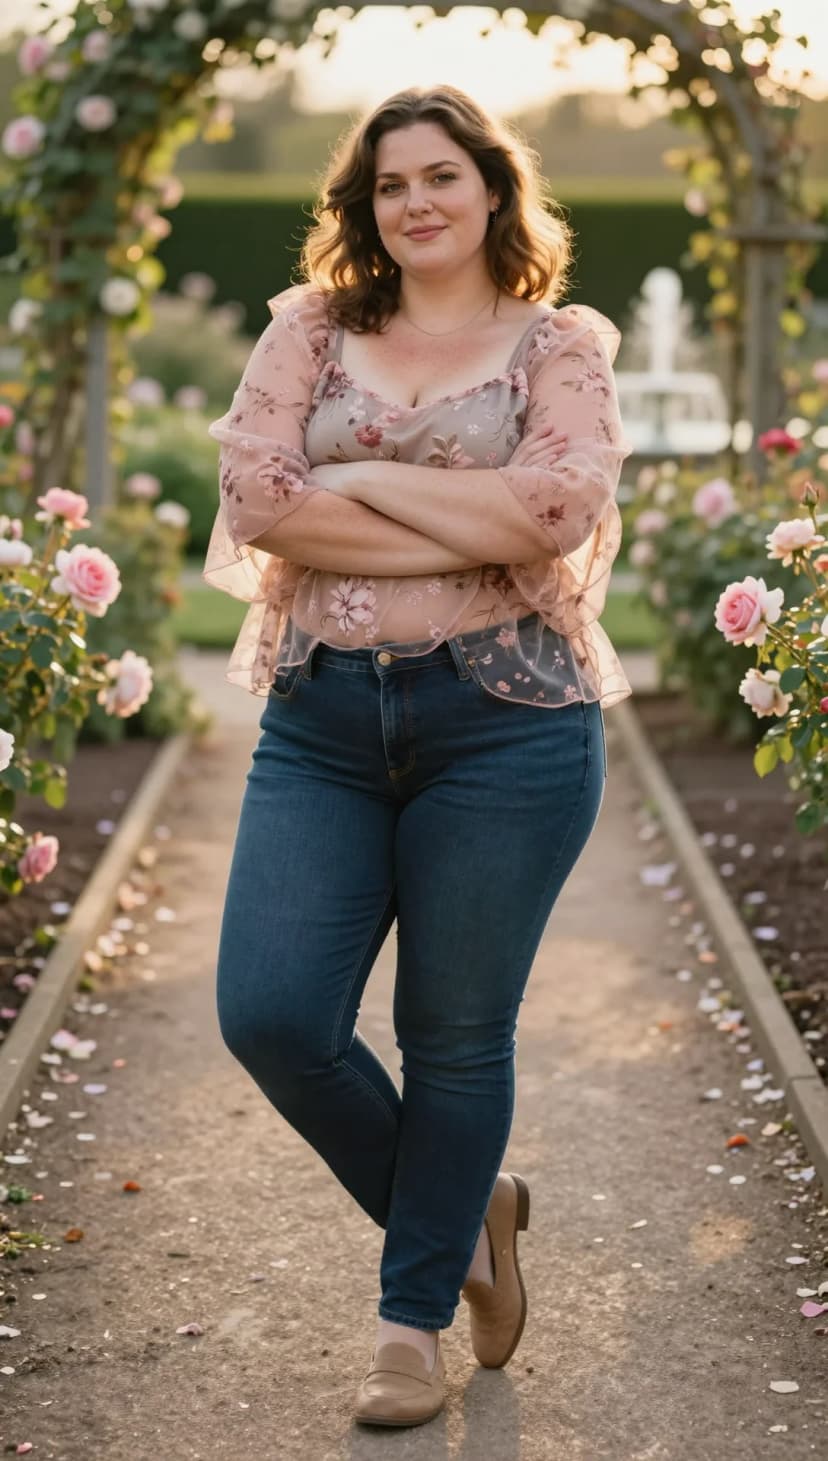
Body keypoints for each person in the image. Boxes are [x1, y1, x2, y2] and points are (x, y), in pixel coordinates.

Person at [204, 83, 633, 1429]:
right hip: (323, 722)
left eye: (442, 175)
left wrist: (356, 482)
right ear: (366, 205)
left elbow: (556, 510)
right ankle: (470, 1216)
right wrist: (466, 513)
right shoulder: (309, 329)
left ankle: (410, 1326)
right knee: (273, 1016)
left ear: (493, 189)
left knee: (452, 1035)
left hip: (509, 727)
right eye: (391, 184)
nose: (417, 202)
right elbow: (256, 499)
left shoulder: (559, 345)